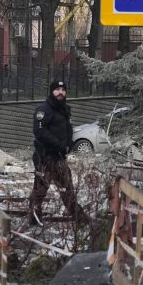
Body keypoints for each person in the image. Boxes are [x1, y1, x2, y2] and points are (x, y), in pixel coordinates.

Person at [27, 81, 84, 226]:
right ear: (52, 92)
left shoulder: (64, 110)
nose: (61, 92)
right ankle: (33, 218)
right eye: (57, 89)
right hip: (45, 157)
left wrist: (69, 144)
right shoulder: (44, 109)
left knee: (67, 189)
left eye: (63, 90)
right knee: (40, 190)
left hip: (59, 158)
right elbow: (39, 131)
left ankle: (79, 218)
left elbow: (68, 130)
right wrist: (58, 144)